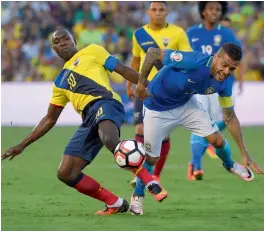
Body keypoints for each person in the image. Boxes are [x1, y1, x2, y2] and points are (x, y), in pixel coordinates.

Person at [1, 29, 168, 216]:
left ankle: (150, 181)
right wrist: (22, 145)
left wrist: (149, 86)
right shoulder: (59, 83)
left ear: (74, 41)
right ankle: (115, 203)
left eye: (66, 38)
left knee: (109, 139)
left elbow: (122, 70)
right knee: (66, 172)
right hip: (88, 120)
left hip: (107, 103)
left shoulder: (93, 51)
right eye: (57, 41)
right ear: (54, 48)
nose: (62, 42)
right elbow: (50, 118)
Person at [130, 43, 264, 215]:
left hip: (186, 104)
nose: (226, 71)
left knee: (216, 139)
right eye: (224, 65)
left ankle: (230, 165)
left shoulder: (225, 83)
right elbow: (153, 53)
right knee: (151, 159)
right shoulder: (193, 61)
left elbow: (230, 117)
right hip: (156, 108)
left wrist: (245, 154)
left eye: (232, 68)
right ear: (216, 57)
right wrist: (141, 84)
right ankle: (138, 196)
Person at [126, 1, 192, 188]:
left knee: (162, 136)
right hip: (144, 86)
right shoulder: (139, 34)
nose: (157, 13)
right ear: (148, 12)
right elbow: (136, 60)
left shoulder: (177, 33)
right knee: (140, 130)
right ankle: (141, 172)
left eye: (161, 10)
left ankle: (155, 175)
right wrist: (129, 83)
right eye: (154, 10)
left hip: (167, 89)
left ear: (167, 12)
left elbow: (188, 58)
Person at [186, 1, 244, 180]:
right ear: (203, 11)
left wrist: (239, 78)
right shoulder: (191, 33)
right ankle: (196, 166)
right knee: (201, 124)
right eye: (211, 8)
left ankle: (196, 159)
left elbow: (238, 58)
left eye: (218, 9)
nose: (215, 12)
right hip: (200, 86)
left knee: (221, 122)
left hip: (222, 86)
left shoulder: (226, 33)